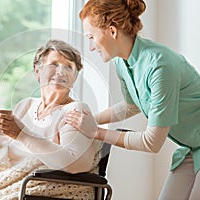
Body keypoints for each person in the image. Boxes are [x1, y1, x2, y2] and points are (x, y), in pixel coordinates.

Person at [64, 0, 200, 199]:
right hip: (192, 147)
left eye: (91, 37)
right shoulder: (122, 61)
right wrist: (88, 119)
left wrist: (95, 132)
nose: (91, 47)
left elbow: (152, 142)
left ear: (112, 31)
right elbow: (131, 106)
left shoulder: (160, 66)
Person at [0, 39, 102, 200]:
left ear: (74, 78)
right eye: (54, 64)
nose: (61, 71)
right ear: (37, 71)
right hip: (5, 185)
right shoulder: (25, 106)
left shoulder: (76, 110)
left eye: (69, 67)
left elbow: (77, 164)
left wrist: (22, 135)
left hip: (36, 192)